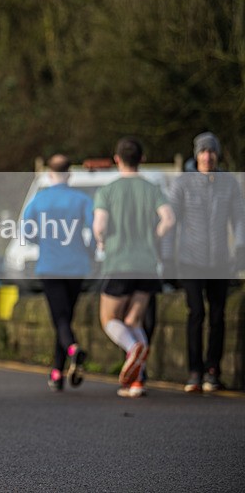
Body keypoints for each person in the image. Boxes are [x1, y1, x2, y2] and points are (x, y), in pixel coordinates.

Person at [93, 138, 175, 398]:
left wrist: (102, 242)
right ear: (142, 159)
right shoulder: (152, 189)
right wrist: (155, 237)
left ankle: (132, 350)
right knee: (133, 320)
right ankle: (137, 382)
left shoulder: (107, 191)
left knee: (109, 319)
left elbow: (99, 226)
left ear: (117, 159)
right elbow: (169, 219)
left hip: (119, 262)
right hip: (147, 263)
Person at [164, 132, 245, 393]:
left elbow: (239, 219)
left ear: (217, 155)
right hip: (190, 259)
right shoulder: (183, 184)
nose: (207, 156)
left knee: (218, 316)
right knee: (196, 313)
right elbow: (170, 221)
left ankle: (213, 370)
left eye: (211, 152)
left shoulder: (229, 184)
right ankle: (194, 371)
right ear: (196, 155)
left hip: (220, 260)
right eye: (202, 152)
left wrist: (240, 247)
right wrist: (167, 257)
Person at [23, 154, 93, 391]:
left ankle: (72, 349)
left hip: (50, 265)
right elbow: (95, 230)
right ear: (69, 173)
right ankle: (57, 371)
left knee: (60, 319)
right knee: (65, 318)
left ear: (49, 174)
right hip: (76, 265)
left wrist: (43, 242)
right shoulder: (82, 200)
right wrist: (89, 250)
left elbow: (27, 231)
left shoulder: (40, 199)